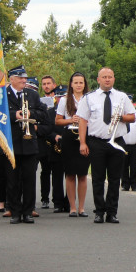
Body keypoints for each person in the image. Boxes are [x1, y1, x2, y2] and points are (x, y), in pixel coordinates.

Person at [77, 67, 136, 223]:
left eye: (110, 77)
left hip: (116, 141)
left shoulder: (122, 96)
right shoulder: (89, 98)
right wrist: (82, 143)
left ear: (114, 79)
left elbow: (132, 117)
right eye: (104, 77)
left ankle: (112, 212)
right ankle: (99, 211)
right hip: (96, 142)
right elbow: (82, 121)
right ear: (98, 80)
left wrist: (120, 117)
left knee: (115, 179)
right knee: (97, 178)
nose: (107, 79)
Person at [5, 66, 50, 223]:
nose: (24, 80)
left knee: (29, 180)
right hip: (11, 143)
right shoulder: (3, 94)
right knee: (12, 181)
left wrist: (31, 113)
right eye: (20, 78)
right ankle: (15, 212)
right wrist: (14, 115)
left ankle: (28, 212)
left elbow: (44, 114)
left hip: (29, 143)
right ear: (11, 79)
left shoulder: (32, 94)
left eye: (25, 77)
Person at [56, 72, 91, 217]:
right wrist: (71, 120)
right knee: (70, 173)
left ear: (85, 84)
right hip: (69, 135)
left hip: (86, 135)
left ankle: (81, 207)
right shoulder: (64, 100)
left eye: (81, 82)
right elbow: (58, 120)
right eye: (76, 82)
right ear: (71, 84)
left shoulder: (89, 99)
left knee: (82, 174)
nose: (78, 85)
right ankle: (72, 207)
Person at [38, 74, 66, 211]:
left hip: (63, 143)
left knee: (63, 173)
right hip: (46, 143)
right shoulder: (40, 103)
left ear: (53, 85)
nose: (46, 86)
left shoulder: (67, 106)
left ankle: (64, 202)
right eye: (44, 84)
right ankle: (46, 199)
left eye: (49, 83)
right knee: (46, 172)